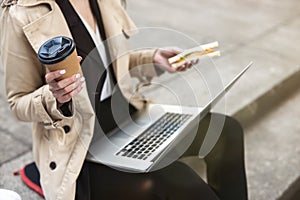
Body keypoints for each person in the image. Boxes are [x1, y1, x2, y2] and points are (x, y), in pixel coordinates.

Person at [0, 0, 248, 199]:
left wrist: (153, 59)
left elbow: (112, 64)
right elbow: (18, 102)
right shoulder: (22, 12)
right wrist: (54, 96)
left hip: (128, 119)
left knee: (227, 131)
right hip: (80, 148)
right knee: (175, 180)